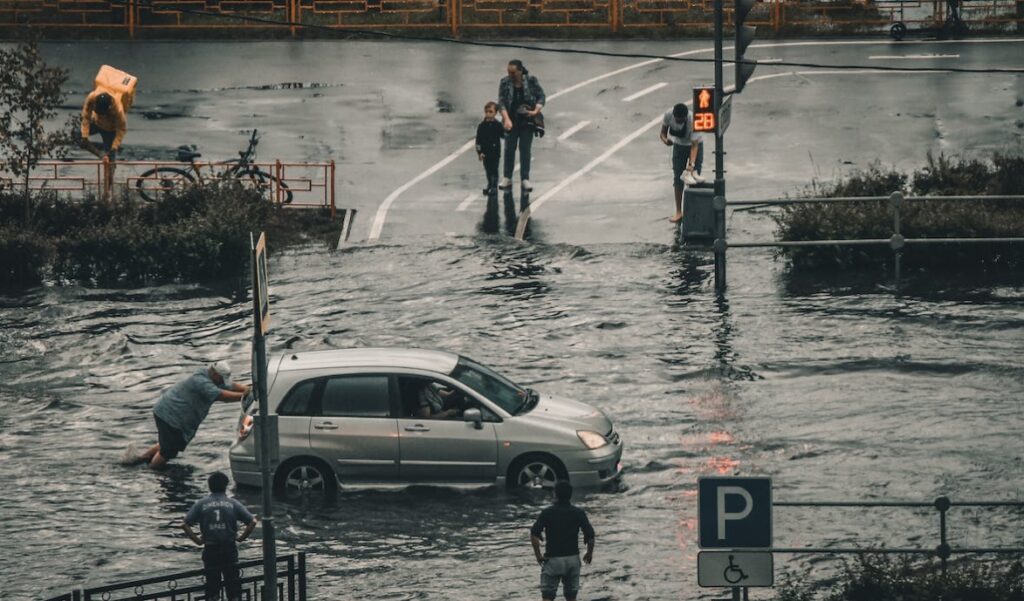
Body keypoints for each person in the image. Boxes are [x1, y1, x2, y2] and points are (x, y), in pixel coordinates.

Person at [135, 361, 250, 469]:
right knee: (169, 450)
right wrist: (245, 397)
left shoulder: (209, 376)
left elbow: (229, 386)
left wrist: (248, 389)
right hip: (170, 415)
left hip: (169, 413)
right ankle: (152, 470)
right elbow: (221, 395)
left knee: (168, 442)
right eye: (221, 379)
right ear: (215, 374)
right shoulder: (201, 382)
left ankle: (141, 459)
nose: (222, 382)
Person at [182, 471, 258, 601]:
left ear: (209, 486)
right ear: (226, 486)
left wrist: (198, 541)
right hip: (229, 548)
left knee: (212, 587)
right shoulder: (233, 503)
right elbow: (252, 522)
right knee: (233, 586)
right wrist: (241, 538)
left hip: (211, 549)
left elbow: (184, 524)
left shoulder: (201, 504)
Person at [530, 481, 595, 601]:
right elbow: (590, 535)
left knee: (548, 597)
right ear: (570, 495)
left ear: (555, 494)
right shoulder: (578, 513)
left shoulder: (547, 513)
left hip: (553, 560)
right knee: (571, 598)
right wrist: (589, 553)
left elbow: (534, 534)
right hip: (572, 559)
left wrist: (538, 555)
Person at [498, 59, 546, 193]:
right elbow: (501, 102)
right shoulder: (505, 82)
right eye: (508, 72)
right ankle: (507, 177)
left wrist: (536, 110)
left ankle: (525, 178)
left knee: (525, 149)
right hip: (511, 120)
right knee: (509, 149)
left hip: (527, 121)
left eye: (513, 72)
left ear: (520, 71)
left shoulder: (531, 81)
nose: (510, 75)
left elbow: (541, 96)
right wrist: (506, 119)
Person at [659, 103, 705, 223]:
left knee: (694, 178)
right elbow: (662, 133)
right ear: (674, 116)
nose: (679, 122)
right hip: (679, 146)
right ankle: (679, 211)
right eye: (677, 120)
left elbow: (694, 146)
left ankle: (693, 211)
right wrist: (666, 141)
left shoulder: (694, 120)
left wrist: (691, 165)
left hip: (695, 145)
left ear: (686, 117)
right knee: (678, 178)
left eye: (681, 121)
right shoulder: (668, 115)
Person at [80, 90, 127, 160]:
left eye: (102, 112)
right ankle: (99, 153)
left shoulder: (118, 110)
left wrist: (114, 147)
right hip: (95, 122)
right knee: (77, 135)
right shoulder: (91, 98)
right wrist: (85, 135)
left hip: (109, 129)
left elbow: (121, 129)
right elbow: (86, 116)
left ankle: (108, 163)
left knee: (111, 155)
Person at [476, 101, 505, 195]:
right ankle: (490, 184)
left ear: (495, 113)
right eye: (487, 112)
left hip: (495, 152)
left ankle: (494, 186)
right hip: (485, 152)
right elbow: (478, 140)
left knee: (494, 169)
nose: (488, 114)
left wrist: (506, 129)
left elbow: (503, 135)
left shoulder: (498, 125)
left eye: (491, 112)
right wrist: (479, 152)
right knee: (488, 169)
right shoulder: (481, 126)